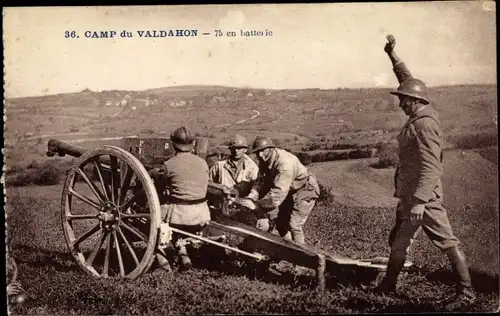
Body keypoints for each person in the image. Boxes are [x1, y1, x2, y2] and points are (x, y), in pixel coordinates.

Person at [374, 34, 476, 307]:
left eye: (404, 100)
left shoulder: (424, 125)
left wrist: (420, 202)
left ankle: (466, 293)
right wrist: (392, 56)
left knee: (446, 242)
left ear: (414, 101)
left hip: (424, 199)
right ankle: (388, 286)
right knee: (399, 242)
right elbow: (408, 80)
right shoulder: (419, 113)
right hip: (410, 196)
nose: (400, 104)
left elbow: (432, 166)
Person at [238, 136, 320, 245]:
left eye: (263, 151)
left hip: (304, 190)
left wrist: (255, 205)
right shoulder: (265, 160)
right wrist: (251, 197)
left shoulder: (284, 164)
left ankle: (300, 256)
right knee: (281, 224)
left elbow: (275, 198)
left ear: (271, 149)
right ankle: (288, 251)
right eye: (257, 152)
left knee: (294, 225)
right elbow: (259, 182)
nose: (260, 155)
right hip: (290, 190)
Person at [154, 126, 211, 272]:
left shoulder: (169, 165)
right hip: (201, 214)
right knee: (175, 212)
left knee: (151, 217)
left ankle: (163, 263)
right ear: (192, 144)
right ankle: (183, 254)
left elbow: (157, 192)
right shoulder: (203, 163)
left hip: (179, 215)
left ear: (174, 144)